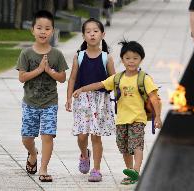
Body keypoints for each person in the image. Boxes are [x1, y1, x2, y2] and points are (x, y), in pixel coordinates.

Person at [72, 40, 162, 185]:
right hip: (121, 120)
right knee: (124, 148)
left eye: (135, 58)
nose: (131, 61)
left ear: (141, 59)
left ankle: (137, 170)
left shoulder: (144, 78)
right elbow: (100, 84)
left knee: (137, 145)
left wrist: (157, 116)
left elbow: (154, 98)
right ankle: (130, 170)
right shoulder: (117, 78)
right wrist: (82, 89)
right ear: (122, 60)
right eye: (127, 58)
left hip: (138, 119)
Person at [16, 10, 68, 182]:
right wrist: (38, 70)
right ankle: (32, 154)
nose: (43, 31)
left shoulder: (56, 55)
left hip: (50, 103)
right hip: (30, 102)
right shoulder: (26, 54)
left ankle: (44, 169)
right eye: (39, 28)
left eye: (47, 28)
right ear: (32, 30)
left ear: (52, 31)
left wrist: (49, 71)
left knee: (47, 135)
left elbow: (62, 78)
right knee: (27, 138)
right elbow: (21, 77)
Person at [65, 18, 116, 182]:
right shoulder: (78, 57)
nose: (92, 34)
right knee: (81, 136)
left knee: (96, 136)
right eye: (88, 31)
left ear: (103, 34)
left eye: (95, 31)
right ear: (83, 35)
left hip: (100, 101)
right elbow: (72, 79)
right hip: (81, 100)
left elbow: (113, 80)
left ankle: (96, 169)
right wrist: (68, 99)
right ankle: (84, 154)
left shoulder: (106, 58)